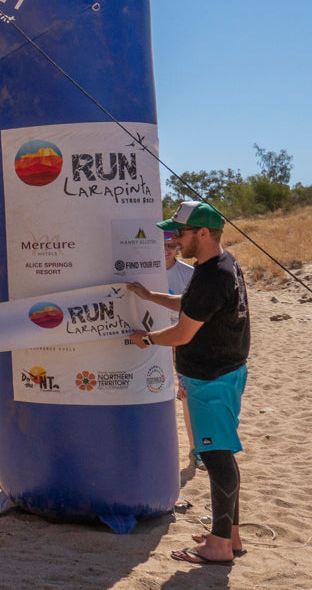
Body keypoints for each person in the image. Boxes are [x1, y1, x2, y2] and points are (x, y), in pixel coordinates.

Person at [126, 201, 251, 565]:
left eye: (179, 233)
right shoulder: (219, 266)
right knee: (220, 452)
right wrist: (152, 297)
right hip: (222, 373)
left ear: (203, 233)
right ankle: (230, 534)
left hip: (211, 378)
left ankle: (219, 546)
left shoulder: (214, 275)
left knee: (215, 456)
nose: (174, 240)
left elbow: (182, 333)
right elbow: (193, 303)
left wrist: (146, 339)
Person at [162, 230, 199, 468]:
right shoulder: (140, 272)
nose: (165, 250)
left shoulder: (190, 274)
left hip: (182, 343)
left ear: (177, 246)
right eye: (161, 245)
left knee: (188, 398)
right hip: (150, 342)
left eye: (170, 245)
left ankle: (197, 450)